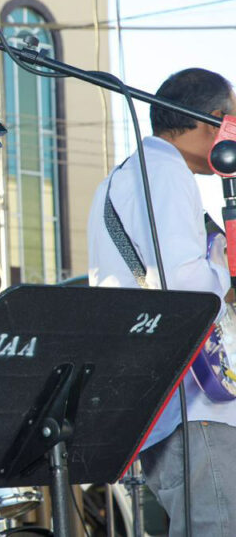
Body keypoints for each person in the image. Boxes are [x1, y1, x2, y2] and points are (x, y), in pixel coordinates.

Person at [87, 68, 236, 537]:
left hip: (162, 398)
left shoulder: (123, 177)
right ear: (214, 120)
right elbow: (188, 289)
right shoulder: (167, 173)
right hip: (195, 406)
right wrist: (223, 266)